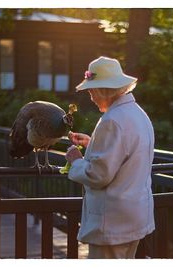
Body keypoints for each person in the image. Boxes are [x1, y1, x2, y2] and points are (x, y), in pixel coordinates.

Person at [65, 56, 155, 259]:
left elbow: (98, 175)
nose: (90, 97)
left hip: (112, 222)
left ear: (102, 90)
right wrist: (92, 144)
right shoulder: (137, 114)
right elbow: (127, 155)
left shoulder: (112, 121)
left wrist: (76, 160)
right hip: (134, 217)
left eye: (91, 91)